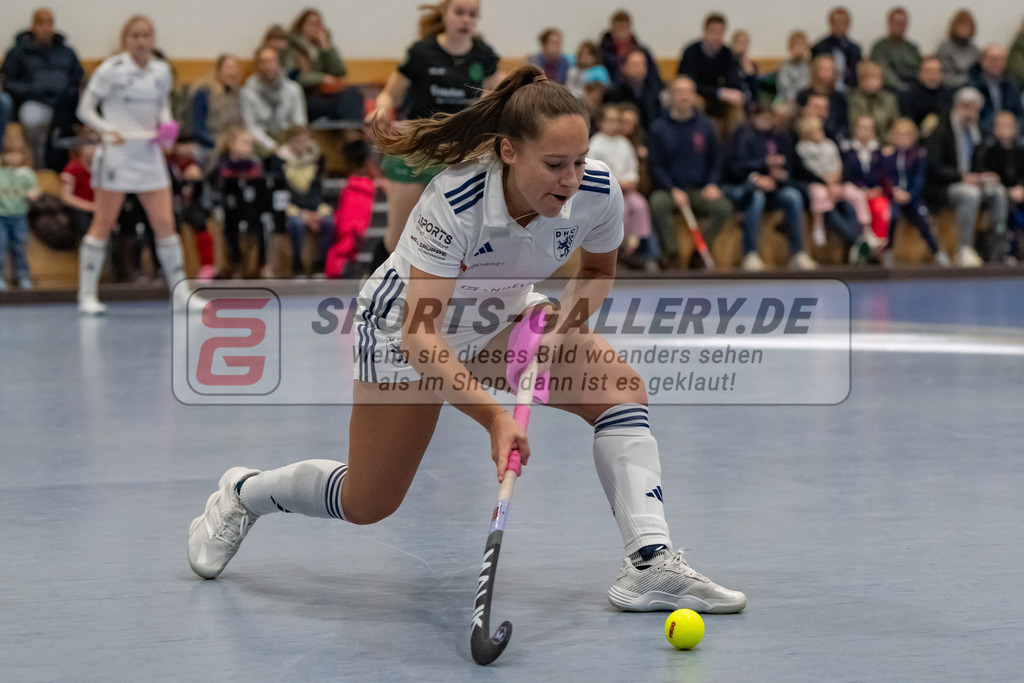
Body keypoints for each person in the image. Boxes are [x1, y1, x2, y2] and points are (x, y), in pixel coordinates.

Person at [186, 66, 748, 617]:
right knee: (368, 501)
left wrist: (566, 321)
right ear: (509, 151)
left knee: (620, 389)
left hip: (502, 314)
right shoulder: (455, 201)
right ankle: (244, 493)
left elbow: (598, 270)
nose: (571, 179)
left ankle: (649, 564)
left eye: (578, 161)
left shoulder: (597, 189)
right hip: (404, 327)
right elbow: (421, 335)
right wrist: (494, 419)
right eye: (554, 165)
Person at [367, 0, 501, 259]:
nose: (466, 20)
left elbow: (497, 97)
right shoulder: (421, 52)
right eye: (459, 12)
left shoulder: (484, 56)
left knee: (456, 235)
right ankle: (375, 280)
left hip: (460, 152)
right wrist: (381, 111)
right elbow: (389, 95)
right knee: (398, 239)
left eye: (472, 15)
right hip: (415, 147)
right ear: (445, 15)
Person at [75, 15, 184, 315]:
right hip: (119, 154)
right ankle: (86, 295)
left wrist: (166, 128)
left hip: (149, 154)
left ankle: (181, 293)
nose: (141, 41)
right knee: (103, 223)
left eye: (146, 35)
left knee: (165, 224)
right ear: (125, 39)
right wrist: (107, 130)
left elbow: (163, 106)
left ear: (153, 39)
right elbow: (84, 109)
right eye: (135, 35)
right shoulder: (111, 70)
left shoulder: (161, 71)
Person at [646, 77, 732, 269]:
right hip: (670, 190)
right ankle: (671, 255)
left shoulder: (707, 126)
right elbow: (655, 164)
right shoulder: (658, 128)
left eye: (688, 92)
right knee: (657, 203)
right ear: (671, 96)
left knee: (723, 207)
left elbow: (717, 160)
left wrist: (712, 184)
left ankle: (699, 254)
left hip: (701, 190)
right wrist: (672, 189)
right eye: (679, 91)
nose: (684, 96)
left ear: (694, 96)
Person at [723, 102, 814, 271]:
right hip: (746, 188)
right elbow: (735, 168)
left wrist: (779, 177)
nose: (766, 121)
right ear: (753, 117)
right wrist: (760, 171)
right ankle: (750, 254)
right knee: (756, 198)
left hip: (774, 188)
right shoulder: (743, 135)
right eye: (761, 117)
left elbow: (791, 167)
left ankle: (798, 253)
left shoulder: (781, 137)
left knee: (793, 196)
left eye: (769, 117)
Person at [924, 87, 1007, 267]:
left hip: (968, 181)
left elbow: (977, 163)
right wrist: (962, 177)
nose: (974, 115)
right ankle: (965, 249)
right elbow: (934, 167)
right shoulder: (941, 130)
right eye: (972, 109)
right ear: (961, 106)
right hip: (942, 187)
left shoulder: (973, 130)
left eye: (977, 110)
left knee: (998, 191)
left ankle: (997, 246)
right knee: (970, 194)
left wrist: (984, 175)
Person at [0, 8, 84, 170]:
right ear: (32, 26)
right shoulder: (18, 53)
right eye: (41, 23)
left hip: (64, 106)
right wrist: (33, 90)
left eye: (50, 23)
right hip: (34, 102)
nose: (46, 28)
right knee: (32, 119)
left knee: (74, 121)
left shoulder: (67, 52)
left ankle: (66, 171)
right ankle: (40, 168)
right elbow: (8, 81)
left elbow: (78, 78)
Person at [588, 104, 656, 271]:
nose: (613, 124)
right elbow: (591, 170)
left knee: (640, 205)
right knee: (621, 209)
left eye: (616, 120)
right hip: (606, 192)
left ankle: (633, 249)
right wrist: (616, 183)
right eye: (609, 120)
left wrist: (631, 180)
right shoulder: (595, 143)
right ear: (601, 122)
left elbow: (632, 166)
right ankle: (617, 251)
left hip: (626, 189)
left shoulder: (624, 143)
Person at [794, 115, 870, 256]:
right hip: (818, 188)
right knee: (823, 200)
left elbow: (839, 164)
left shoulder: (829, 145)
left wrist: (836, 181)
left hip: (836, 185)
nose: (820, 134)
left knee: (853, 198)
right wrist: (826, 183)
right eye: (816, 131)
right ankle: (822, 228)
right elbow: (806, 171)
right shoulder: (801, 149)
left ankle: (865, 232)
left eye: (820, 130)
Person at [876, 118, 947, 266]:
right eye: (899, 135)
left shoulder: (918, 156)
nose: (903, 139)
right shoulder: (888, 156)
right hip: (894, 197)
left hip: (912, 198)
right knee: (892, 217)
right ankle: (888, 251)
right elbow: (885, 177)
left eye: (907, 135)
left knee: (923, 218)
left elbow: (919, 179)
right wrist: (894, 192)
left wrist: (909, 194)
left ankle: (937, 252)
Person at [270, 124, 334, 276]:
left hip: (314, 207)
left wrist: (317, 212)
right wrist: (301, 214)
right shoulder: (280, 162)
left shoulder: (317, 160)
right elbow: (280, 194)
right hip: (292, 208)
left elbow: (319, 190)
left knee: (328, 223)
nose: (302, 145)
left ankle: (320, 265)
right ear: (290, 142)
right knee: (296, 225)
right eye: (298, 141)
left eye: (305, 141)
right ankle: (297, 265)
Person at [282, 9, 364, 123]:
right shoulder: (291, 49)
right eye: (311, 24)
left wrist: (327, 48)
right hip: (303, 96)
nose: (315, 28)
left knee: (353, 93)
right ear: (301, 26)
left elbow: (339, 72)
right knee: (340, 107)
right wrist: (321, 78)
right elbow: (292, 76)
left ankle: (354, 133)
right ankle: (352, 135)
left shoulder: (320, 49)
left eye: (319, 25)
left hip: (322, 93)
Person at [208, 127, 266, 279]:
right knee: (223, 228)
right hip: (226, 211)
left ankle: (254, 267)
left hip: (250, 210)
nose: (249, 146)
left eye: (250, 143)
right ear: (231, 144)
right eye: (244, 143)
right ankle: (226, 267)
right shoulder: (221, 167)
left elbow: (261, 192)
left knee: (255, 228)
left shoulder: (254, 166)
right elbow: (214, 193)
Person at [971, 111, 1023, 262]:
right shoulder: (988, 151)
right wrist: (1007, 190)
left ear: (1015, 129)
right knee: (1006, 209)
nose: (1005, 130)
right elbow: (986, 173)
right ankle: (1005, 251)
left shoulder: (1020, 152)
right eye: (1001, 126)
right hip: (999, 195)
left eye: (1009, 126)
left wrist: (1021, 187)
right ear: (995, 129)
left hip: (1019, 193)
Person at [240, 46, 308, 155]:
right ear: (258, 65)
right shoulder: (247, 92)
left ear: (278, 63)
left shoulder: (293, 89)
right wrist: (271, 145)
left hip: (288, 137)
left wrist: (293, 143)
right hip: (262, 140)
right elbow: (250, 126)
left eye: (271, 61)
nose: (268, 66)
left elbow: (299, 121)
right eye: (264, 62)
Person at [677, 14, 745, 115]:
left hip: (720, 98)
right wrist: (718, 92)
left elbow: (733, 81)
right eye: (712, 31)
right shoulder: (691, 52)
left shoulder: (728, 54)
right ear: (705, 31)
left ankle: (734, 130)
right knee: (694, 101)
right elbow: (690, 83)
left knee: (737, 101)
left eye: (720, 32)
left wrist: (729, 93)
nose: (716, 36)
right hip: (699, 95)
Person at [188, 54, 245, 161]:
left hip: (234, 143)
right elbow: (197, 128)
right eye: (229, 68)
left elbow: (241, 124)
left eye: (235, 68)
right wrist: (220, 143)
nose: (233, 72)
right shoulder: (203, 93)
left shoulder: (238, 94)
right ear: (218, 71)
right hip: (210, 142)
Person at [0, 133, 38, 290]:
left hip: (19, 216)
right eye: (9, 153)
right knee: (0, 247)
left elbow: (34, 192)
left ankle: (23, 275)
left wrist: (32, 195)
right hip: (2, 216)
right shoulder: (1, 173)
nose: (13, 157)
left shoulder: (26, 174)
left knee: (19, 247)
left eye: (16, 154)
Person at [598, 9, 662, 94]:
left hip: (641, 93)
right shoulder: (601, 52)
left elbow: (653, 77)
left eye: (624, 28)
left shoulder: (642, 52)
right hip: (612, 93)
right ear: (612, 29)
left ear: (630, 29)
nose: (621, 33)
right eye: (618, 29)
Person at [968, 44, 1024, 135]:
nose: (997, 63)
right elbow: (972, 120)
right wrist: (996, 127)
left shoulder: (1012, 85)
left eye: (1001, 60)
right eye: (993, 59)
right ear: (983, 61)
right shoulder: (973, 86)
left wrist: (1011, 127)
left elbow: (1020, 115)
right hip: (984, 135)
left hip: (1010, 136)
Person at [796, 55, 849, 142]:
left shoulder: (840, 98)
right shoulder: (803, 95)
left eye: (830, 69)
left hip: (833, 141)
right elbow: (797, 123)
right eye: (823, 69)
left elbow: (844, 126)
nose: (827, 73)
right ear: (815, 71)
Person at [869, 7, 921, 94]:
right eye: (896, 23)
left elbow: (919, 70)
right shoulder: (879, 47)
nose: (899, 27)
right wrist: (902, 87)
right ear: (889, 24)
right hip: (889, 89)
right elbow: (883, 72)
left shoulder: (912, 48)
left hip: (912, 88)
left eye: (902, 24)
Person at [607, 50, 663, 131]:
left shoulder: (654, 90)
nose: (639, 69)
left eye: (642, 65)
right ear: (624, 68)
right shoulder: (615, 93)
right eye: (635, 65)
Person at [811, 7, 862, 91]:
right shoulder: (819, 47)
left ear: (848, 24)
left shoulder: (855, 49)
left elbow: (857, 74)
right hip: (826, 89)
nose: (839, 26)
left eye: (842, 23)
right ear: (830, 24)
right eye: (836, 23)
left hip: (850, 90)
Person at [898, 56, 952, 136]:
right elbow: (908, 122)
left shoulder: (949, 94)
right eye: (929, 71)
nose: (933, 75)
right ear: (920, 73)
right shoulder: (909, 95)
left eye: (937, 71)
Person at [848, 61, 899, 140]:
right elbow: (854, 125)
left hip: (886, 143)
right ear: (860, 82)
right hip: (862, 143)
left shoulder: (889, 99)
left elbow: (895, 125)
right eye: (866, 79)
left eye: (874, 78)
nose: (870, 83)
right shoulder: (854, 100)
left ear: (881, 80)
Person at [60, 137, 96, 237]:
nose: (90, 159)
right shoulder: (72, 168)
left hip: (98, 209)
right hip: (79, 210)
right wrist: (92, 207)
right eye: (87, 156)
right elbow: (66, 198)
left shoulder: (102, 170)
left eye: (93, 156)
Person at [936, 10, 978, 90]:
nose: (964, 29)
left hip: (970, 88)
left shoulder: (974, 49)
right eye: (961, 25)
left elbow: (975, 73)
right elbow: (944, 73)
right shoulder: (944, 47)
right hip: (949, 87)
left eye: (967, 26)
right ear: (954, 27)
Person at [775, 30, 811, 105]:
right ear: (790, 49)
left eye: (801, 47)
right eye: (796, 47)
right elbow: (783, 88)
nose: (799, 50)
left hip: (805, 100)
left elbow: (807, 85)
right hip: (787, 101)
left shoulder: (809, 66)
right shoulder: (785, 67)